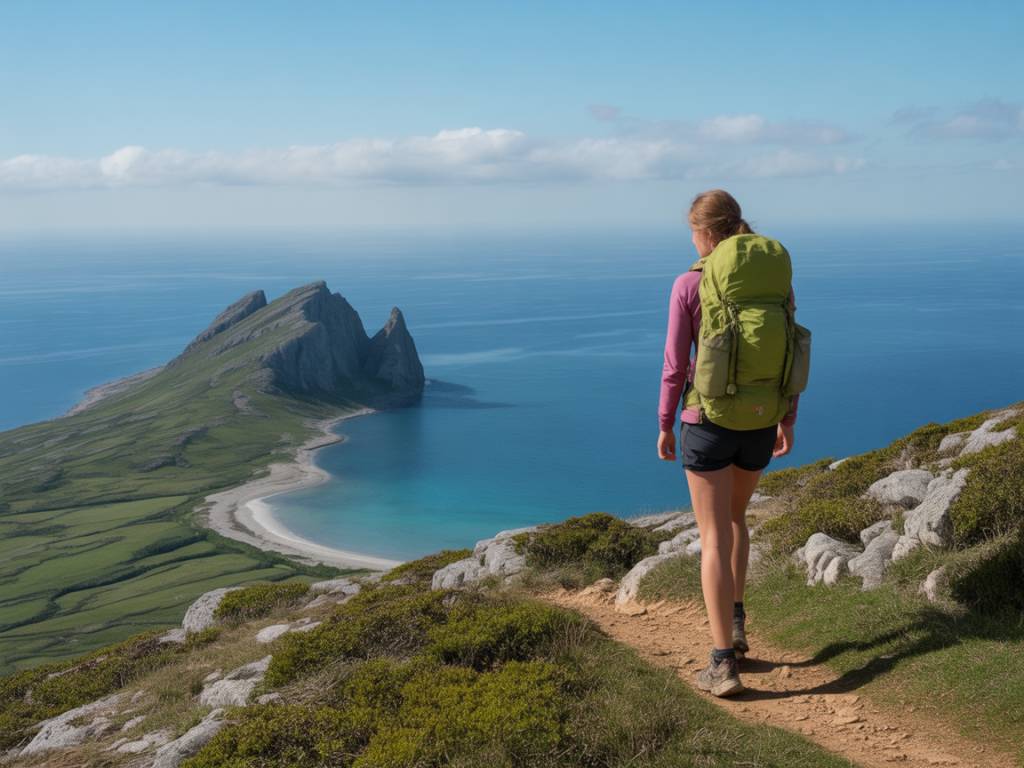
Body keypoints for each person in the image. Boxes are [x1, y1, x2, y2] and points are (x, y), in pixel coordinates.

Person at [657, 189, 799, 697]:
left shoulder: (688, 284)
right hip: (761, 419)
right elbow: (790, 347)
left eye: (694, 234)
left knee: (713, 538)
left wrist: (664, 423)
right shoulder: (772, 280)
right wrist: (787, 417)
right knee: (737, 522)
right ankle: (737, 628)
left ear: (707, 234)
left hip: (707, 421)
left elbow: (676, 365)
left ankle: (721, 662)